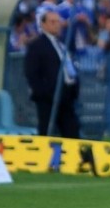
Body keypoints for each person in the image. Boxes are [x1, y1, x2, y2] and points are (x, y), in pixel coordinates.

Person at [24, 9, 81, 138]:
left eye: (58, 22)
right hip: (48, 97)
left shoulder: (61, 44)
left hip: (66, 95)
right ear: (43, 24)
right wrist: (43, 92)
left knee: (72, 132)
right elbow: (31, 72)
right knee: (47, 131)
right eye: (52, 22)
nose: (56, 25)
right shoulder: (37, 46)